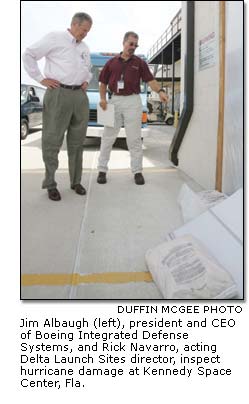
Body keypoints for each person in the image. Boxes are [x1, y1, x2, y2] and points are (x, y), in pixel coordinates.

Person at [22, 12, 93, 201]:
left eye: (88, 31)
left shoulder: (84, 47)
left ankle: (75, 181)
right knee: (52, 140)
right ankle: (50, 183)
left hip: (79, 96)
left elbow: (88, 70)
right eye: (84, 30)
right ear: (74, 24)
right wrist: (40, 79)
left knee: (78, 142)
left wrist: (87, 80)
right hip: (59, 93)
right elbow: (29, 54)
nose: (85, 34)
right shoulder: (55, 38)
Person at [97, 31, 168, 186]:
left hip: (133, 102)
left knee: (134, 139)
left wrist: (160, 91)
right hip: (114, 101)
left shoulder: (139, 63)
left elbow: (151, 80)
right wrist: (103, 99)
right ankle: (102, 170)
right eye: (131, 44)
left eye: (136, 45)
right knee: (108, 137)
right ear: (124, 42)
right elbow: (102, 82)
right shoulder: (111, 62)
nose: (133, 47)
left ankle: (137, 171)